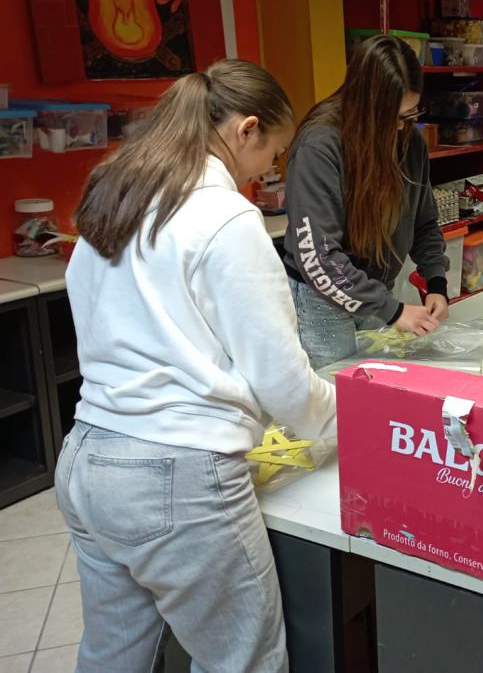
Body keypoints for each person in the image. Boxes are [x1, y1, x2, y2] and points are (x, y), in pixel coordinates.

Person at [57, 60, 337, 673]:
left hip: (87, 457)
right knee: (243, 661)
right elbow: (281, 379)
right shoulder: (225, 216)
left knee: (114, 655)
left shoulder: (118, 195)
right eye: (273, 151)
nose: (268, 170)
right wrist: (344, 418)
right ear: (245, 129)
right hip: (173, 475)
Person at [282, 35, 449, 369]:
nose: (400, 127)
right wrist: (393, 311)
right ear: (365, 105)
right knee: (335, 385)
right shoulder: (320, 146)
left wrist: (436, 283)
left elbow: (423, 221)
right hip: (323, 297)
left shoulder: (409, 141)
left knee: (374, 377)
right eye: (392, 117)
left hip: (373, 288)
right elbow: (319, 257)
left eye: (409, 114)